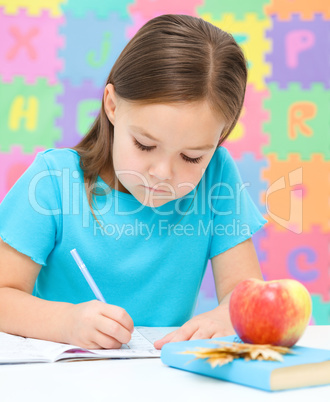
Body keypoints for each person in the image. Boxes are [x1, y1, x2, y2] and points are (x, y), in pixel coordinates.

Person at [0, 14, 266, 350]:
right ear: (112, 105)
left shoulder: (217, 178)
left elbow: (245, 292)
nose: (162, 173)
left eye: (191, 157)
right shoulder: (52, 181)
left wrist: (227, 315)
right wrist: (66, 323)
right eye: (145, 144)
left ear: (219, 138)